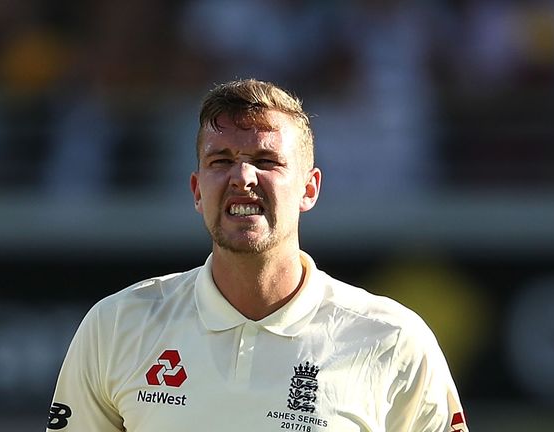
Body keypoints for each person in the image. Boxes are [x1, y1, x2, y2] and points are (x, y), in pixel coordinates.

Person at [46, 79, 468, 432]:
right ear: (196, 190)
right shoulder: (118, 324)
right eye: (221, 160)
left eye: (266, 161)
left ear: (309, 188)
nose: (242, 177)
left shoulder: (392, 338)